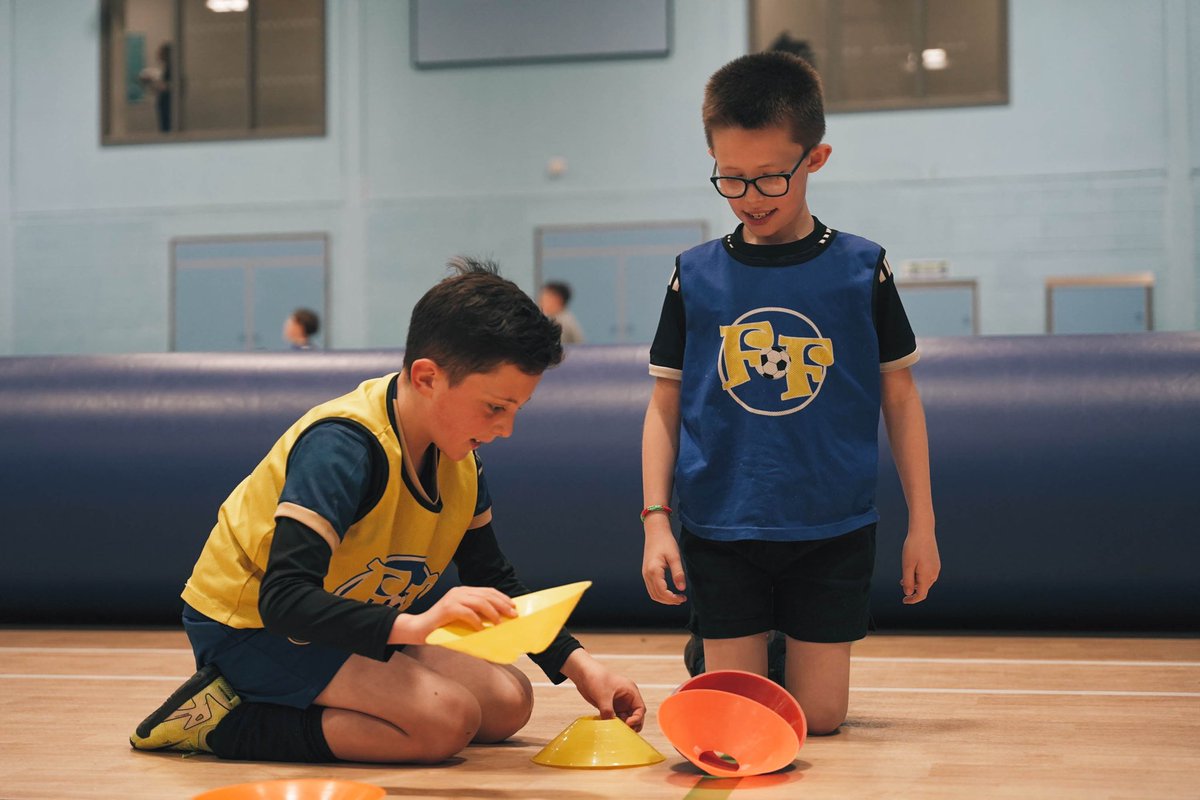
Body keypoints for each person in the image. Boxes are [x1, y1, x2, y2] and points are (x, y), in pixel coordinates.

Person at [131, 257, 645, 763]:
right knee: (446, 723)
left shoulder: (460, 459)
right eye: (495, 407)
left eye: (517, 410)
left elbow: (497, 580)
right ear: (426, 377)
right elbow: (284, 600)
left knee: (510, 704)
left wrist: (583, 667)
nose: (506, 429)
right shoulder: (343, 447)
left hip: (350, 621)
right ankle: (223, 726)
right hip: (252, 629)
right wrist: (416, 628)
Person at [639, 51, 940, 736]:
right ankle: (726, 644)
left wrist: (922, 525)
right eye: (732, 178)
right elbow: (664, 405)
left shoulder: (862, 268)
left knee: (824, 719)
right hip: (724, 523)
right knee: (738, 716)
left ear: (817, 158)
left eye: (772, 176)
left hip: (831, 524)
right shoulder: (696, 274)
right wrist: (656, 518)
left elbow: (901, 400)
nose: (751, 197)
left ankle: (765, 645)